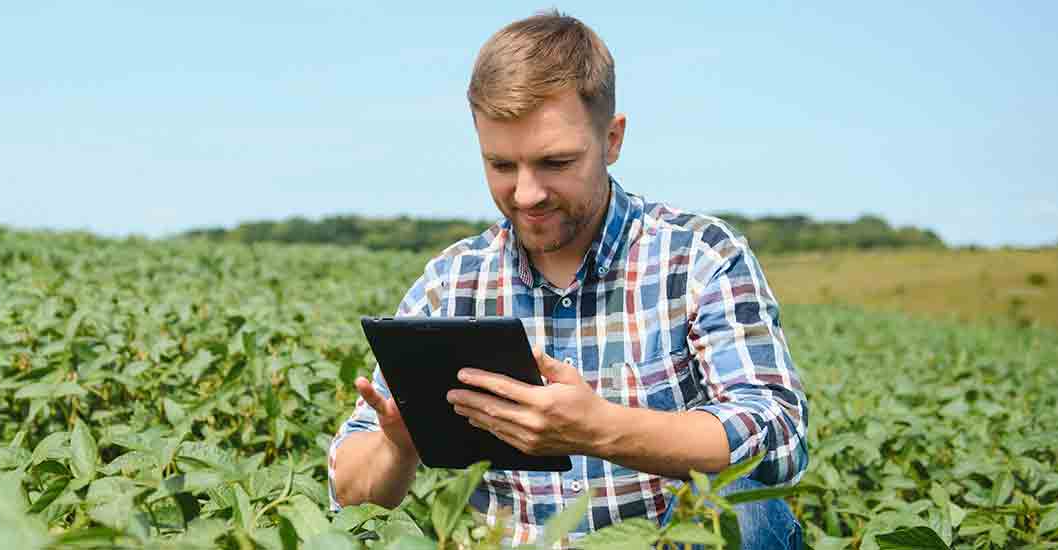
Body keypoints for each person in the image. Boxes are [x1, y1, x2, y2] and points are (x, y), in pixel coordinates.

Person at [325, 10, 808, 549]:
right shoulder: (454, 283)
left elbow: (778, 436)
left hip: (670, 541)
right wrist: (400, 445)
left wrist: (599, 428)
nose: (527, 193)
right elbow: (348, 490)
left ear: (613, 139)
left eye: (555, 162)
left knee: (744, 513)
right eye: (502, 166)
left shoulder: (695, 257)